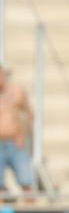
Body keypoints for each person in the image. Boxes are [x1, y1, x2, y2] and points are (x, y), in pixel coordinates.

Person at [0, 65, 33, 197]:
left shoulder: (16, 92)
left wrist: (23, 134)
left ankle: (31, 211)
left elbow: (29, 114)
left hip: (15, 142)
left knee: (25, 181)